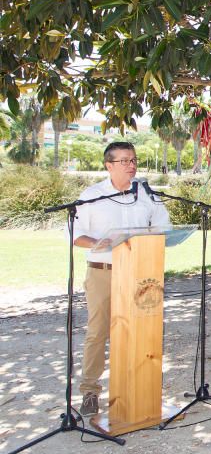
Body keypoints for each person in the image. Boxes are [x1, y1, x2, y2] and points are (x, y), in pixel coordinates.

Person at [72, 141, 171, 417]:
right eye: (125, 161)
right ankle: (90, 391)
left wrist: (149, 239)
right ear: (109, 165)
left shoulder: (146, 194)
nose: (131, 165)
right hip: (103, 272)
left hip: (140, 273)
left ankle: (135, 389)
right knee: (98, 333)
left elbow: (163, 227)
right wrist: (105, 243)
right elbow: (75, 234)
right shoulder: (92, 195)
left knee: (140, 331)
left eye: (134, 160)